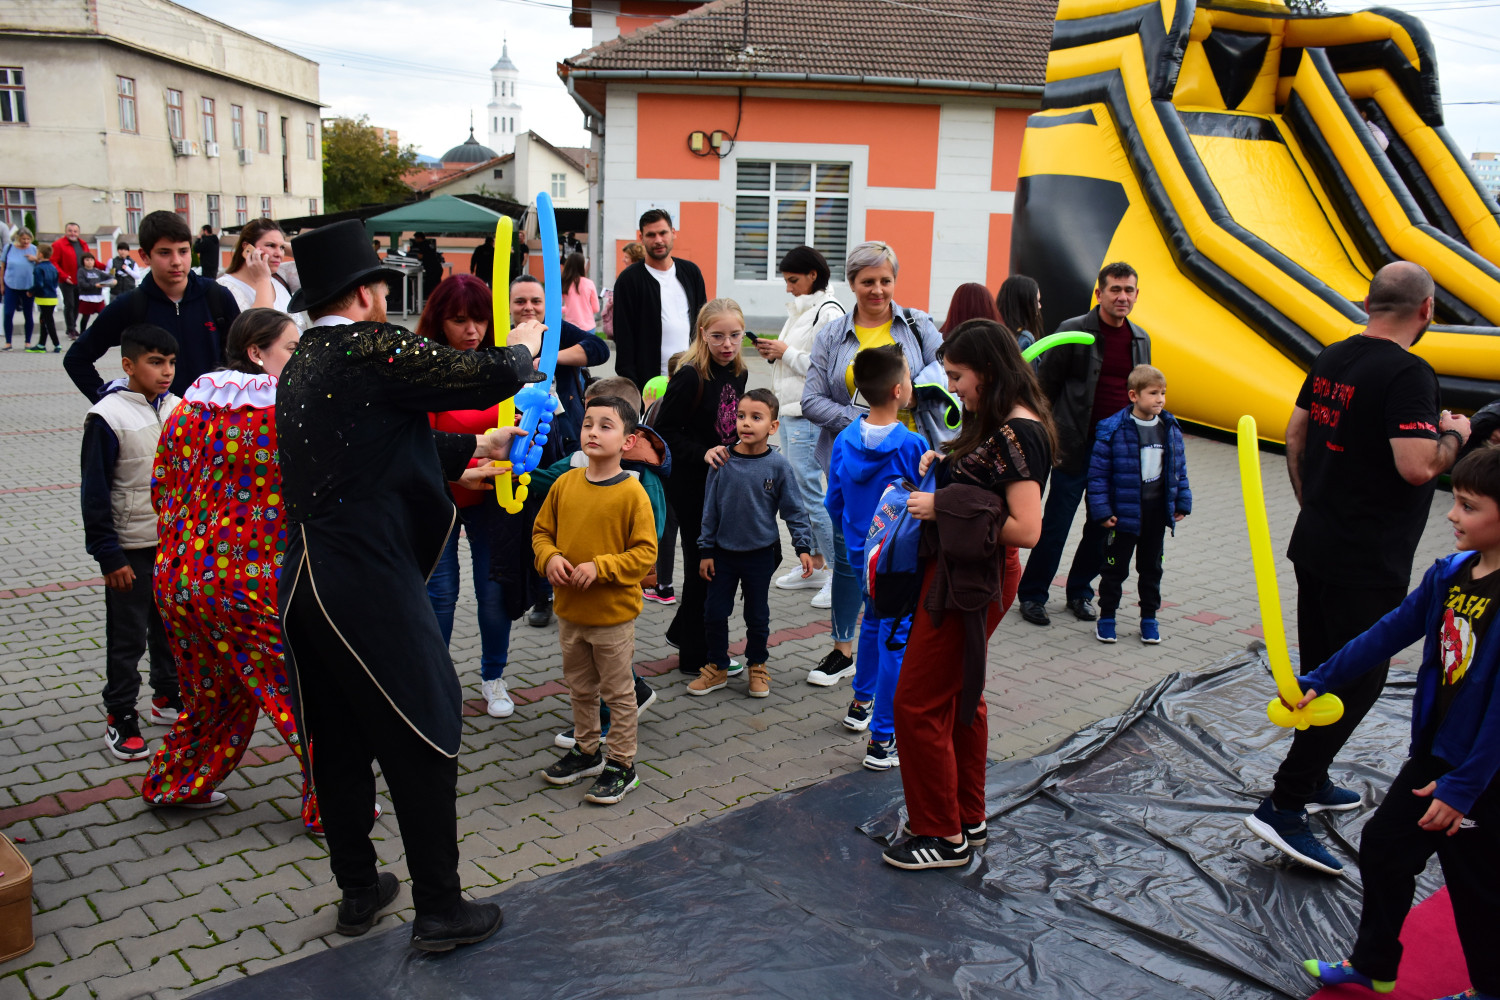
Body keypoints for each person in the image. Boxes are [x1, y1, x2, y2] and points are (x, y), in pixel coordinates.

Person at [275, 219, 544, 950]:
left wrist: (476, 446)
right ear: (366, 292)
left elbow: (378, 441)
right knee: (425, 724)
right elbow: (474, 373)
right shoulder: (365, 346)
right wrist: (525, 345)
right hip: (361, 580)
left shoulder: (305, 360)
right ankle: (440, 908)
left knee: (336, 740)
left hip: (304, 581)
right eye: (381, 287)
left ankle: (359, 890)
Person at [1247, 262, 1473, 874]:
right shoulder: (1409, 373)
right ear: (1426, 310)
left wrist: (1314, 505)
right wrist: (1456, 434)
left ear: (1369, 303)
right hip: (1366, 559)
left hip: (1319, 543)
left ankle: (1313, 776)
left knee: (1324, 671)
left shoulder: (1334, 355)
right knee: (1357, 680)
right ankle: (1285, 804)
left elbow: (1296, 433)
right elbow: (1418, 466)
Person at [1296, 445, 1500, 1000]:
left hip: (1483, 769)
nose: (1452, 515)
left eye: (1469, 506)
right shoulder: (1450, 575)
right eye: (1455, 500)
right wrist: (1322, 677)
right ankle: (1373, 965)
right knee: (1386, 848)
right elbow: (1390, 630)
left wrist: (1464, 787)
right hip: (1440, 754)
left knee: (1476, 878)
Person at [141, 308, 327, 831]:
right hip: (244, 584)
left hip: (177, 577)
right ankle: (335, 803)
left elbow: (161, 487)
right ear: (256, 352)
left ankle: (175, 784)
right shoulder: (282, 411)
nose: (300, 358)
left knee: (212, 694)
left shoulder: (187, 408)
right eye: (292, 348)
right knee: (301, 693)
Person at [883, 319, 1055, 870]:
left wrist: (942, 505)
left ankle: (942, 835)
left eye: (958, 376)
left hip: (972, 581)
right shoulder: (1001, 419)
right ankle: (966, 816)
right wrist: (946, 464)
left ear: (989, 370)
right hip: (966, 574)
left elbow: (1026, 528)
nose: (952, 387)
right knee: (960, 694)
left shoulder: (1019, 430)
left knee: (916, 702)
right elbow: (988, 486)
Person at [801, 240, 944, 689]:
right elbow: (810, 400)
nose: (877, 290)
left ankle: (897, 649)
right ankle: (843, 650)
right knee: (850, 559)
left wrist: (910, 410)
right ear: (852, 283)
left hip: (910, 463)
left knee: (903, 559)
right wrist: (865, 424)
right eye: (867, 281)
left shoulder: (918, 325)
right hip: (854, 460)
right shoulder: (832, 334)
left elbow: (947, 382)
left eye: (885, 280)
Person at [529, 376, 667, 750]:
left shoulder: (635, 489)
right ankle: (586, 749)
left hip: (612, 614)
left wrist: (600, 567)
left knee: (618, 692)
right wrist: (549, 557)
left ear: (628, 440)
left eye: (605, 425)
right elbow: (542, 532)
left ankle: (621, 761)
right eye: (587, 423)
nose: (592, 431)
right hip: (570, 611)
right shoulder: (567, 481)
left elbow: (646, 551)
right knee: (580, 687)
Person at [1016, 262, 1150, 628]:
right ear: (1099, 293)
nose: (1122, 297)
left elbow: (1142, 394)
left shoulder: (1141, 340)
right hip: (1073, 446)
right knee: (1056, 523)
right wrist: (1044, 436)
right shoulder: (1073, 332)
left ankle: (1080, 592)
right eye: (1115, 289)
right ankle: (1033, 595)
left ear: (1136, 295)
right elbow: (1045, 388)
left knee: (1103, 525)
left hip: (1116, 452)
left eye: (1129, 290)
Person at [416, 274, 519, 719]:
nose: (472, 330)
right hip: (437, 499)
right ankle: (436, 684)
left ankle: (494, 676)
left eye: (480, 318)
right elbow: (417, 445)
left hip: (494, 500)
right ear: (439, 321)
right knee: (440, 595)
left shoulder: (502, 365)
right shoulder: (423, 371)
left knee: (493, 593)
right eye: (459, 320)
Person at [80, 324, 184, 760]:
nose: (166, 372)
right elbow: (94, 492)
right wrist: (108, 555)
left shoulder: (179, 408)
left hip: (173, 546)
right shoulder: (107, 417)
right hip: (129, 549)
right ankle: (120, 714)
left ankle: (167, 695)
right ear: (128, 364)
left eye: (171, 362)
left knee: (169, 628)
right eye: (155, 362)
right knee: (128, 638)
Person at [824, 347, 927, 769]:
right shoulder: (914, 445)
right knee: (894, 642)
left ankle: (860, 704)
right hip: (898, 563)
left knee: (871, 622)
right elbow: (924, 505)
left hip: (859, 556)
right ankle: (882, 740)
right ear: (899, 390)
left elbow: (833, 501)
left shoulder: (845, 438)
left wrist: (856, 538)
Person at [692, 388, 816, 698]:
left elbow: (794, 510)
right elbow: (709, 509)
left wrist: (803, 547)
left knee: (757, 616)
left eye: (756, 418)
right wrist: (706, 550)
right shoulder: (722, 460)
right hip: (722, 554)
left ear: (773, 426)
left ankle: (757, 665)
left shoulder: (778, 466)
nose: (746, 423)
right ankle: (717, 666)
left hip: (761, 554)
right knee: (714, 613)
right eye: (741, 416)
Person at [655, 299, 751, 678]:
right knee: (702, 566)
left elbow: (728, 424)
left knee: (714, 564)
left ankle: (684, 632)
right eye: (718, 336)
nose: (727, 344)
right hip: (692, 484)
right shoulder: (690, 376)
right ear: (702, 334)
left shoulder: (739, 371)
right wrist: (703, 452)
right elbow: (664, 432)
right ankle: (696, 657)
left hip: (722, 482)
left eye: (735, 335)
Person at [65, 211, 240, 400]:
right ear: (145, 256)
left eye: (183, 251)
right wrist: (111, 404)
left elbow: (247, 357)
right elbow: (76, 359)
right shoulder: (131, 305)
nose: (176, 261)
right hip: (156, 418)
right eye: (164, 252)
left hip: (214, 415)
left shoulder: (217, 296)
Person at [757, 246, 843, 609]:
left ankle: (841, 575)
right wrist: (776, 353)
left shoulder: (830, 312)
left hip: (808, 415)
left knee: (811, 495)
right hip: (793, 411)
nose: (789, 288)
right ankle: (817, 566)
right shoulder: (804, 309)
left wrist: (785, 352)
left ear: (812, 275)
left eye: (793, 280)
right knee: (801, 493)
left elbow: (830, 368)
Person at [1086, 364, 1192, 645]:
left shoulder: (1169, 428)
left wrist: (1181, 502)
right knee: (1114, 570)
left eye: (1163, 393)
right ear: (1134, 395)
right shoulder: (1113, 429)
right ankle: (1107, 617)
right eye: (1153, 393)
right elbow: (1098, 476)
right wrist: (1102, 511)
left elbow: (1179, 469)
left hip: (1155, 514)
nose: (1160, 399)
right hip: (1123, 515)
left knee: (1151, 569)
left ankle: (1149, 619)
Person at [610, 209, 708, 390]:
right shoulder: (629, 280)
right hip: (649, 383)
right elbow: (624, 338)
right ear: (641, 237)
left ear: (673, 233)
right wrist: (632, 387)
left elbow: (704, 323)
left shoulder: (691, 272)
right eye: (651, 235)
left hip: (691, 377)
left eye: (663, 233)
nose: (658, 240)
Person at [217, 219, 296, 317]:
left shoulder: (280, 276)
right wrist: (263, 280)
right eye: (271, 245)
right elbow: (263, 323)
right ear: (247, 247)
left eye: (282, 248)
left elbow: (314, 258)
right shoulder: (225, 287)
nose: (279, 254)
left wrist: (280, 242)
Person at [50, 221, 93, 339]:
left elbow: (89, 259)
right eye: (70, 231)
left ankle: (73, 326)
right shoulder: (58, 245)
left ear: (79, 232)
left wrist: (105, 268)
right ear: (66, 232)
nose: (73, 233)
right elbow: (54, 262)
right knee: (70, 304)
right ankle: (71, 329)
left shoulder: (83, 244)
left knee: (77, 305)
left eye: (75, 231)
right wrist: (64, 276)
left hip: (80, 279)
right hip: (66, 280)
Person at [1, 226, 38, 350]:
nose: (26, 241)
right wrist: (2, 284)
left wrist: (35, 259)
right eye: (23, 239)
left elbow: (42, 263)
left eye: (28, 239)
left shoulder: (34, 249)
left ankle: (28, 342)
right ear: (18, 238)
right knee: (8, 313)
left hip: (28, 286)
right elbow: (3, 267)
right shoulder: (9, 248)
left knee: (28, 314)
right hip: (11, 284)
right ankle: (8, 342)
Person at [996, 275, 1044, 355]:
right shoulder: (1024, 338)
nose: (1039, 306)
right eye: (1037, 301)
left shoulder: (991, 332)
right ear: (1025, 303)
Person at [75, 252, 115, 337]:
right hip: (87, 297)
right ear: (83, 261)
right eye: (87, 260)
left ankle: (102, 332)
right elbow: (82, 284)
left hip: (98, 298)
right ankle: (82, 333)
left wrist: (112, 279)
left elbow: (109, 276)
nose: (89, 262)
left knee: (103, 315)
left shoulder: (97, 271)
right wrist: (94, 285)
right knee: (86, 317)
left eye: (91, 260)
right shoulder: (81, 271)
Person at [31, 245, 60, 353]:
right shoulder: (53, 267)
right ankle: (41, 344)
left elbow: (39, 284)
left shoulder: (39, 268)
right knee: (44, 320)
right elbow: (56, 282)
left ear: (40, 254)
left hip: (43, 297)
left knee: (48, 321)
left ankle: (57, 344)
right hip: (53, 297)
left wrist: (30, 291)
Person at [560, 252, 599, 333]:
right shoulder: (589, 283)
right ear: (582, 266)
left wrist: (569, 308)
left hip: (571, 327)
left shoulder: (564, 283)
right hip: (589, 326)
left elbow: (557, 307)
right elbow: (596, 308)